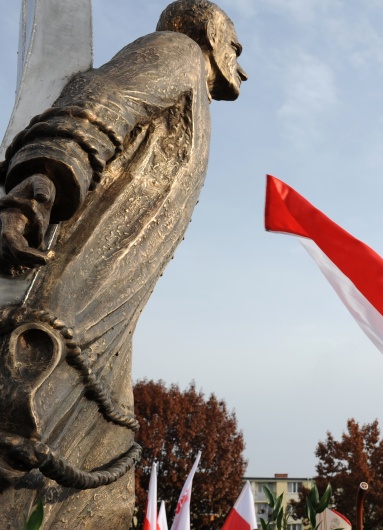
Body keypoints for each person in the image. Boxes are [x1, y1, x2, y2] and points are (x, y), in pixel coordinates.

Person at [0, 1, 246, 528]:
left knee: (102, 438)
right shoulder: (175, 51)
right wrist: (35, 192)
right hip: (72, 300)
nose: (241, 62)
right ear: (205, 29)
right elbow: (100, 101)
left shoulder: (195, 97)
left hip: (107, 314)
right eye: (235, 43)